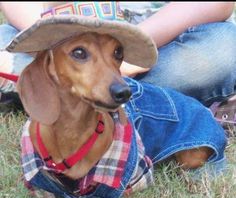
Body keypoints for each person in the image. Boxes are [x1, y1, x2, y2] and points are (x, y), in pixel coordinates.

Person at [0, 2, 236, 121]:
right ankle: (140, 102)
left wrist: (133, 51)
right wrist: (46, 35)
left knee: (224, 47)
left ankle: (44, 92)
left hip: (158, 46)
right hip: (63, 44)